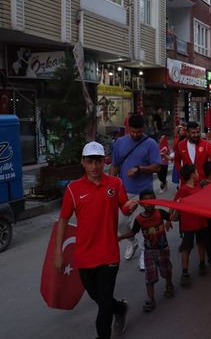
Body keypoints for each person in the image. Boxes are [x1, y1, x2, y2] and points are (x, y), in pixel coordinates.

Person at [54, 141, 137, 338]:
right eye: (90, 161)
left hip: (109, 253)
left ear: (104, 162)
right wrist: (58, 252)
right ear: (83, 162)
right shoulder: (73, 189)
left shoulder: (115, 184)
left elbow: (124, 205)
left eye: (98, 161)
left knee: (104, 303)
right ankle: (120, 309)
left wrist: (129, 207)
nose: (94, 167)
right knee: (98, 297)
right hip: (84, 255)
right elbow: (63, 220)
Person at [109, 114, 161, 270]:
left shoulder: (151, 143)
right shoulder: (119, 143)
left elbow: (157, 166)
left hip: (145, 192)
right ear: (128, 129)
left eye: (139, 131)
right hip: (125, 192)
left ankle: (146, 253)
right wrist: (110, 185)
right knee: (120, 223)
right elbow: (115, 165)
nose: (136, 134)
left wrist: (140, 169)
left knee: (147, 224)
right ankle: (133, 242)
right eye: (133, 131)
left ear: (143, 129)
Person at [118, 190, 174, 313]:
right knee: (149, 276)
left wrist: (176, 208)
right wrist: (120, 237)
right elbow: (133, 232)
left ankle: (169, 285)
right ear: (142, 204)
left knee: (166, 270)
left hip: (163, 249)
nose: (149, 204)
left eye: (152, 200)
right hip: (149, 252)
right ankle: (150, 299)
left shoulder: (160, 213)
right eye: (146, 201)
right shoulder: (139, 219)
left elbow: (173, 218)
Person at [171, 164, 208, 287]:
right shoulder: (183, 190)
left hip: (200, 220)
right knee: (186, 248)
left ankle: (202, 264)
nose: (198, 174)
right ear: (192, 175)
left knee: (201, 243)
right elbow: (174, 204)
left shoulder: (198, 186)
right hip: (188, 224)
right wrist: (169, 219)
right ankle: (185, 272)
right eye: (196, 172)